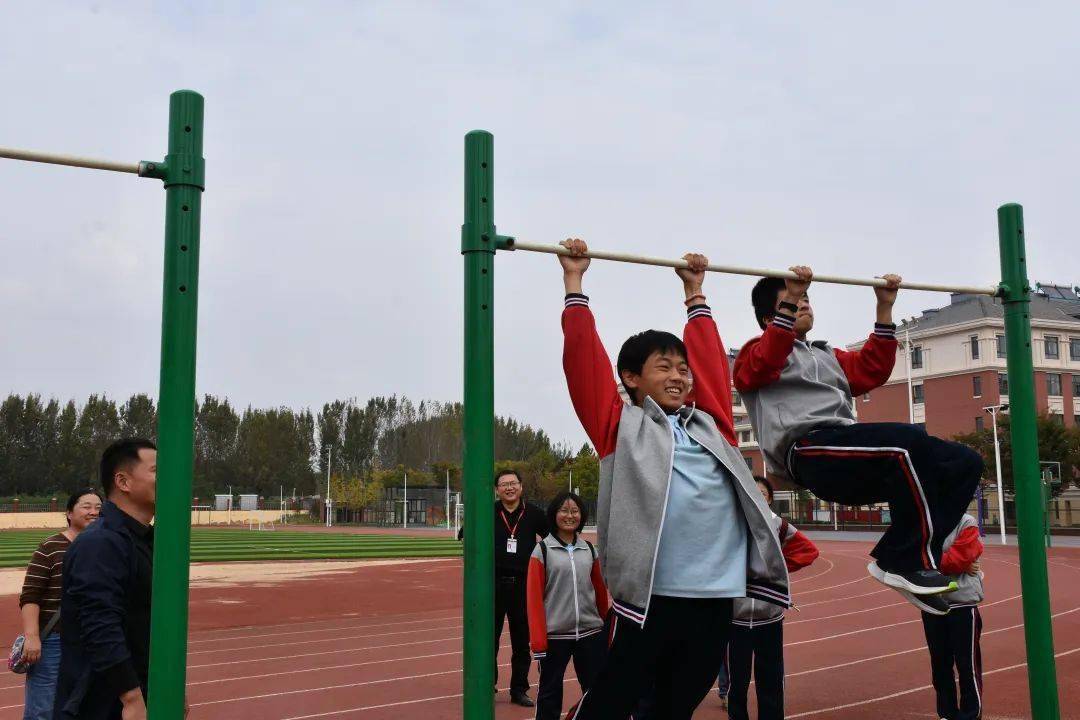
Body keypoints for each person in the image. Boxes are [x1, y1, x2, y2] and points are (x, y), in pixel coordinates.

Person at [559, 238, 789, 720]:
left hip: (714, 597)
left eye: (682, 369)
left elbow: (708, 363)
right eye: (663, 367)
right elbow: (585, 366)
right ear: (631, 379)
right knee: (611, 702)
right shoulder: (620, 428)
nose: (680, 376)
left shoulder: (712, 426)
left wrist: (695, 294)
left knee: (676, 705)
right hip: (650, 599)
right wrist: (575, 283)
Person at [733, 268, 982, 613]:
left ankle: (903, 557)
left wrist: (884, 309)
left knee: (965, 462)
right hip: (808, 451)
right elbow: (768, 357)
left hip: (850, 452)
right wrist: (789, 300)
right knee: (907, 441)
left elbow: (872, 369)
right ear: (769, 317)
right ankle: (906, 561)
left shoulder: (827, 355)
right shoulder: (754, 354)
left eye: (805, 298)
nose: (803, 303)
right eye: (792, 300)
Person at [54, 438, 159, 720]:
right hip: (104, 704)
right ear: (123, 481)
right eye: (156, 470)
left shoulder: (143, 540)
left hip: (140, 692)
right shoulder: (101, 543)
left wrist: (167, 687)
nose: (169, 478)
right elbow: (100, 626)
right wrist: (132, 698)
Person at [725, 476, 819, 720]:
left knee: (771, 679)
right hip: (734, 618)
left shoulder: (778, 525)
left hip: (770, 617)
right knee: (737, 683)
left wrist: (775, 571)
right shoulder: (727, 524)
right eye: (752, 492)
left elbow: (808, 551)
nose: (757, 497)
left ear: (769, 499)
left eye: (762, 494)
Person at [18, 489, 102, 720]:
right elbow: (30, 596)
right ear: (68, 513)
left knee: (84, 705)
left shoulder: (105, 547)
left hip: (93, 638)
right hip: (55, 640)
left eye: (98, 507)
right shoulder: (51, 547)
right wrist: (32, 636)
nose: (93, 512)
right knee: (43, 709)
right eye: (86, 506)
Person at [526, 492, 610, 720]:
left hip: (590, 633)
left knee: (596, 692)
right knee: (549, 694)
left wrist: (606, 628)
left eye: (575, 511)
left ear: (581, 516)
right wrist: (539, 642)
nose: (569, 515)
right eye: (564, 510)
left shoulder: (590, 550)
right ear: (554, 515)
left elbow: (600, 594)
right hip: (555, 636)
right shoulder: (542, 551)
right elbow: (534, 600)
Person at [920, 513, 984, 720]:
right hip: (932, 602)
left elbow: (961, 557)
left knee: (967, 665)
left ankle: (970, 714)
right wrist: (950, 562)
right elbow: (915, 558)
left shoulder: (966, 522)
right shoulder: (925, 522)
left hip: (962, 602)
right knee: (939, 664)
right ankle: (946, 713)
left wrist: (933, 562)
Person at [492, 470, 548, 707]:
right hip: (492, 586)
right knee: (488, 640)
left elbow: (551, 538)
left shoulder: (534, 513)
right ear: (497, 490)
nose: (509, 488)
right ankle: (487, 685)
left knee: (521, 642)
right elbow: (468, 534)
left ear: (521, 487)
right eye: (504, 484)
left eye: (513, 483)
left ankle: (519, 689)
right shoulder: (489, 512)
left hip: (523, 586)